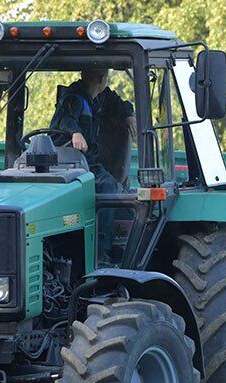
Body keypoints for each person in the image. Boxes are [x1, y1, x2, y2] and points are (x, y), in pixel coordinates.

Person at [49, 69, 136, 261]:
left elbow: (118, 102)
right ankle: (102, 252)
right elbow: (65, 117)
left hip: (86, 162)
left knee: (109, 183)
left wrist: (128, 115)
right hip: (68, 162)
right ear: (102, 78)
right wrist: (74, 132)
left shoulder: (98, 98)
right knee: (108, 186)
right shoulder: (74, 98)